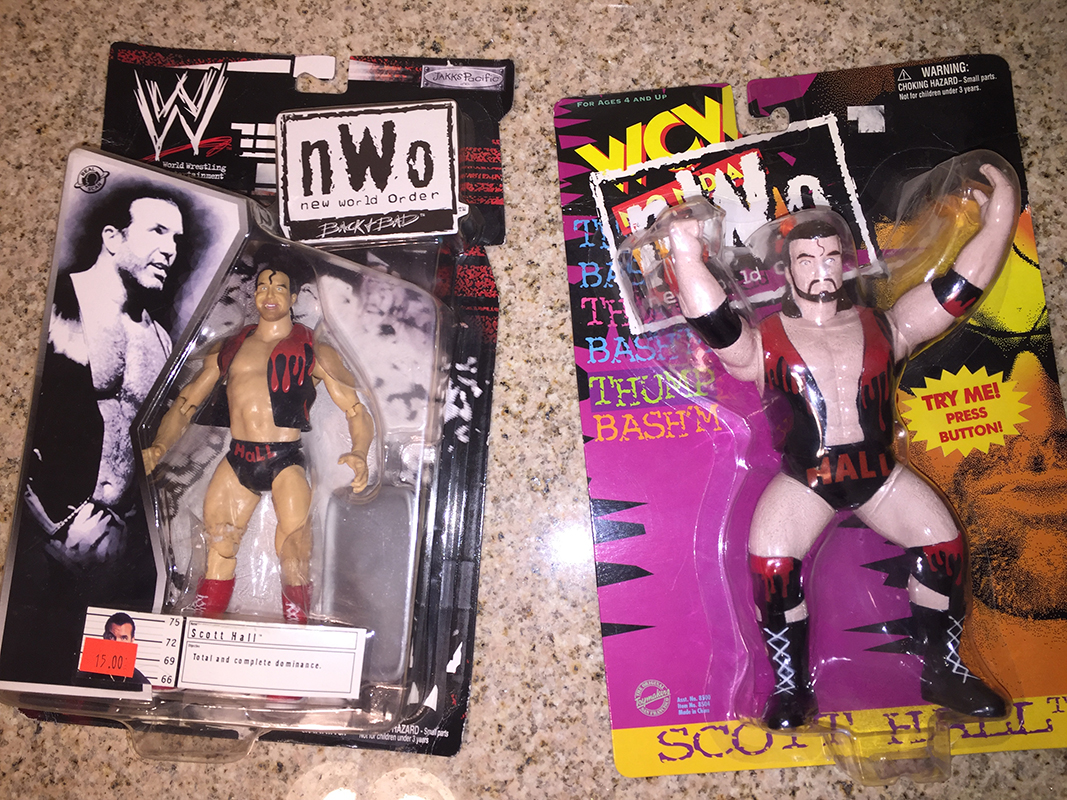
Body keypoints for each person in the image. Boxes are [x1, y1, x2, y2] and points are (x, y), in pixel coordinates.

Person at [666, 163, 1018, 730]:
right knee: (773, 567)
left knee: (943, 547)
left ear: (846, 262)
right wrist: (684, 253)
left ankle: (943, 669)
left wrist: (999, 217)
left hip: (878, 472)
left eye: (830, 257)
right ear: (786, 270)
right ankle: (789, 686)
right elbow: (716, 323)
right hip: (806, 475)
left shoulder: (887, 325)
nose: (821, 269)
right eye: (807, 259)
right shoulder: (766, 340)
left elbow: (959, 289)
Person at [142, 260, 374, 623]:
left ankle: (297, 633)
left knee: (295, 554)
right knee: (219, 546)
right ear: (254, 294)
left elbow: (356, 410)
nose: (270, 294)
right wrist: (159, 446)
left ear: (294, 297)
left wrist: (360, 451)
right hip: (238, 457)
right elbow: (186, 402)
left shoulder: (313, 350)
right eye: (263, 287)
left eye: (279, 287)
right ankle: (200, 634)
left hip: (285, 459)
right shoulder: (231, 348)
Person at [25, 189, 184, 571]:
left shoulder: (161, 340)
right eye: (158, 231)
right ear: (113, 238)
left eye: (176, 239)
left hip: (118, 544)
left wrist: (134, 530)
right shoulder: (52, 302)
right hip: (40, 538)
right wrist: (48, 529)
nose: (170, 250)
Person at [74, 612, 150, 690]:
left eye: (123, 638)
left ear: (132, 641)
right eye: (111, 637)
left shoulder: (141, 683)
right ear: (104, 637)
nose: (117, 643)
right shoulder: (84, 677)